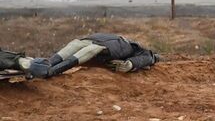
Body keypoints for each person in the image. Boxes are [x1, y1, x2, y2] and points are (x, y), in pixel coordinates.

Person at [19, 33, 160, 78]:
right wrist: (130, 64)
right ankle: (42, 66)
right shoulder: (129, 44)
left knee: (81, 50)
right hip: (97, 41)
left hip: (103, 45)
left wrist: (131, 64)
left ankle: (49, 70)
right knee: (75, 48)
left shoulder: (143, 52)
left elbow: (147, 58)